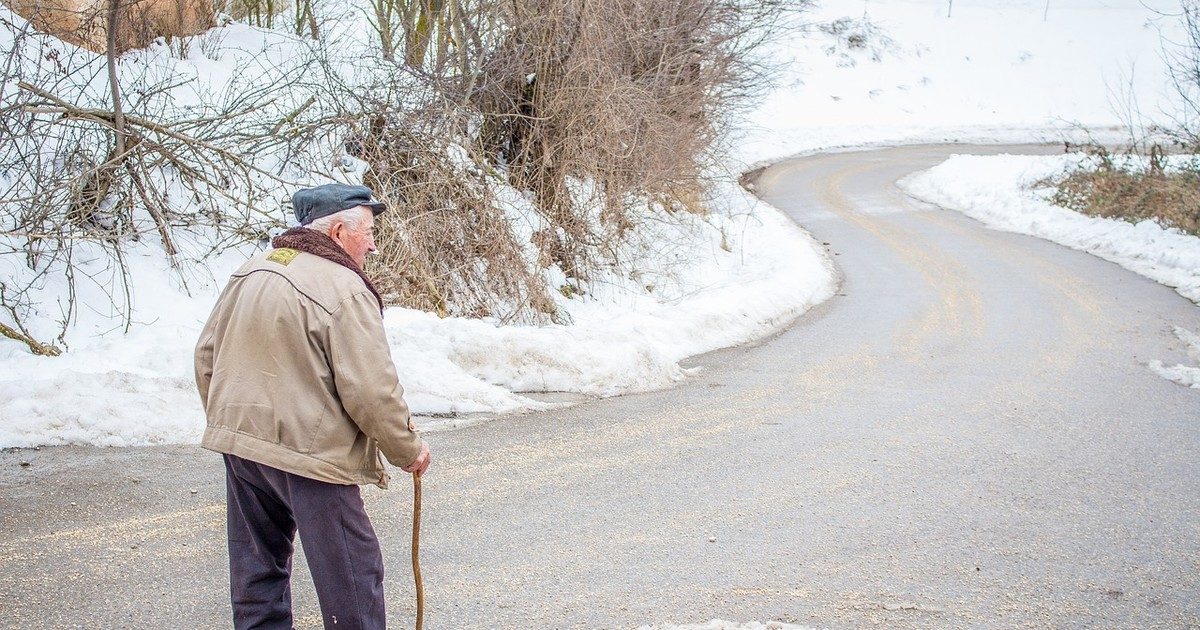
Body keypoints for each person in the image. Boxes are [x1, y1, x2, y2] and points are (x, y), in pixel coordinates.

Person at [194, 183, 431, 630]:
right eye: (369, 233)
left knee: (258, 575)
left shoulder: (252, 270)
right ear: (339, 231)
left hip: (244, 451)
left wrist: (233, 424)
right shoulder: (344, 287)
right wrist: (407, 449)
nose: (375, 244)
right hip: (311, 457)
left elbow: (207, 356)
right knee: (352, 580)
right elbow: (371, 390)